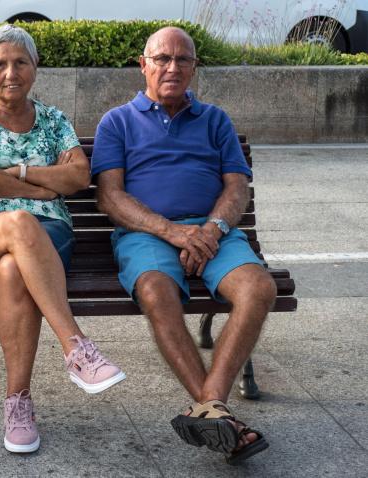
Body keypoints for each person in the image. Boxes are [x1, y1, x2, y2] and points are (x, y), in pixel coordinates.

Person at [91, 26, 275, 465]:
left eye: (182, 59)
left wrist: (209, 230)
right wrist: (172, 231)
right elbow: (109, 196)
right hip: (147, 234)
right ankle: (222, 415)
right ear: (144, 64)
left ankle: (211, 407)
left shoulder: (215, 120)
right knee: (156, 291)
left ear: (194, 68)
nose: (172, 67)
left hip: (211, 232)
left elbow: (237, 187)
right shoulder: (117, 121)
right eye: (162, 59)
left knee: (259, 289)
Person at [0, 24, 126, 454]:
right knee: (20, 223)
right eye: (1, 64)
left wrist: (14, 175)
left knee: (15, 267)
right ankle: (78, 350)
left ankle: (18, 404)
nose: (12, 72)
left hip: (51, 236)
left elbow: (80, 176)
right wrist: (43, 189)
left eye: (21, 62)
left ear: (35, 67)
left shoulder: (53, 119)